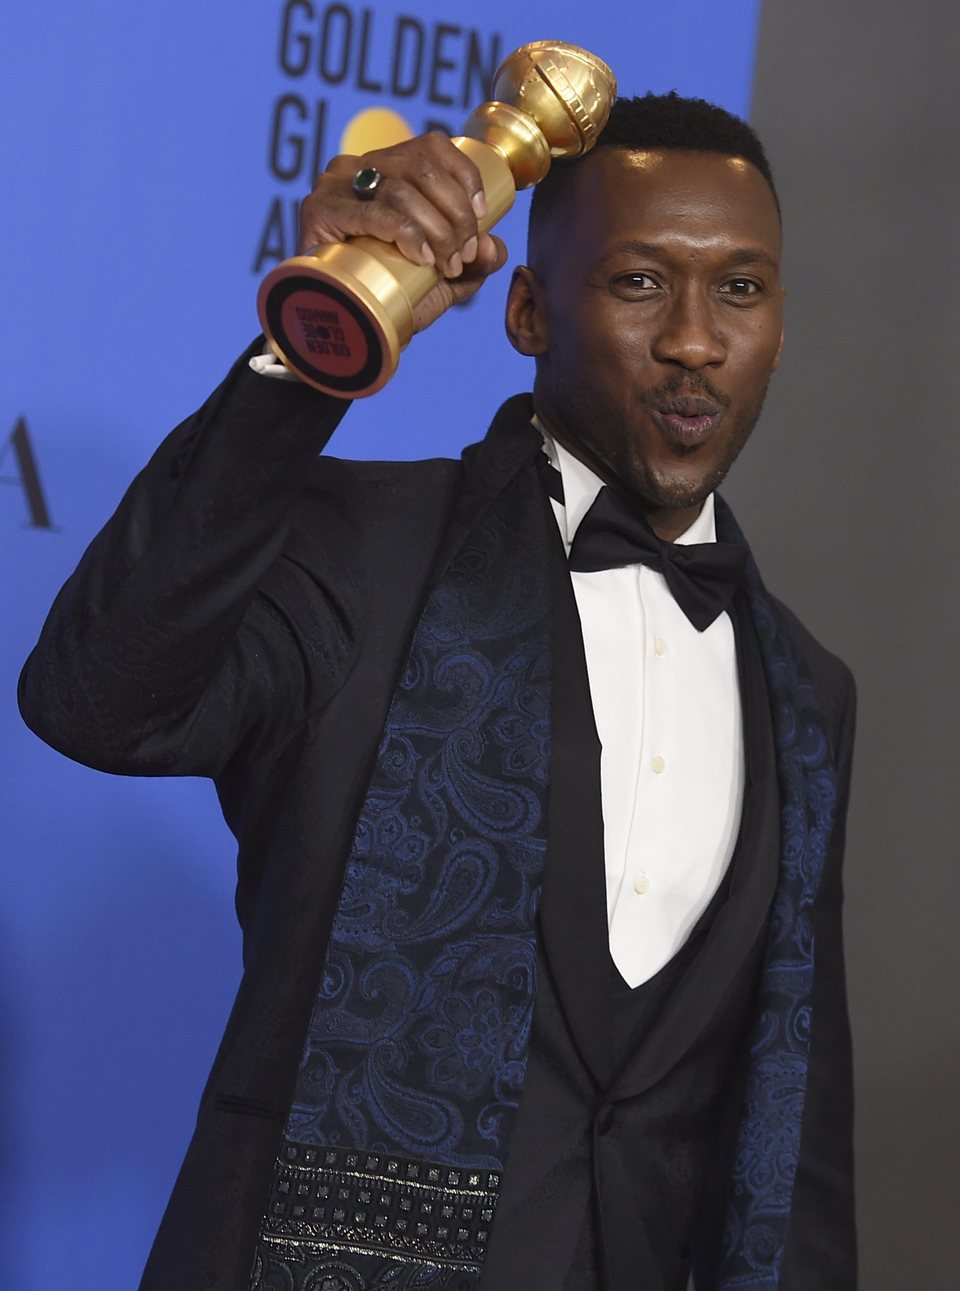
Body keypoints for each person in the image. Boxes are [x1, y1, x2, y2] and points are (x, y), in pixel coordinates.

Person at [19, 94, 857, 1291]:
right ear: (527, 310)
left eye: (739, 289)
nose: (693, 339)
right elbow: (96, 699)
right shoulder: (363, 552)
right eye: (636, 283)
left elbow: (799, 1130)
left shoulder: (808, 690)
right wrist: (322, 326)